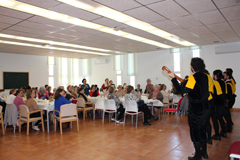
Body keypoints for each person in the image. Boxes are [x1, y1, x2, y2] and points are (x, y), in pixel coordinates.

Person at [167, 58, 209, 160]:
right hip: (206, 107)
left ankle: (197, 156)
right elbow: (195, 88)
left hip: (196, 109)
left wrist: (173, 78)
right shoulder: (205, 77)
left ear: (192, 67)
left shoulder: (193, 78)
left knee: (195, 132)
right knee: (203, 130)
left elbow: (181, 90)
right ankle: (204, 153)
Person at [211, 70, 227, 140]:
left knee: (214, 119)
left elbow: (216, 94)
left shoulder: (215, 83)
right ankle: (223, 132)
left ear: (215, 75)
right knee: (221, 118)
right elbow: (224, 93)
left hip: (216, 104)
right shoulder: (224, 82)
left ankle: (217, 134)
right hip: (222, 103)